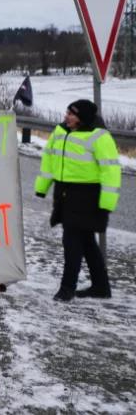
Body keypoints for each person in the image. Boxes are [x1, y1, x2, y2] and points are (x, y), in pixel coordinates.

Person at [34, 99, 120, 301]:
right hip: (65, 192)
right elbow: (49, 158)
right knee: (87, 241)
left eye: (72, 114)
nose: (67, 116)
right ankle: (100, 287)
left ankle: (67, 289)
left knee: (72, 241)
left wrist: (107, 203)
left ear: (83, 118)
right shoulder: (61, 131)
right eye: (67, 112)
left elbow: (111, 171)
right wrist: (42, 187)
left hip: (88, 196)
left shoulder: (99, 136)